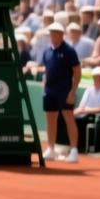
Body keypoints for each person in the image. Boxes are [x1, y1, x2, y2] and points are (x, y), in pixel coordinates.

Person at [38, 23, 80, 162]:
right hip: (50, 92)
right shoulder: (46, 52)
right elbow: (47, 70)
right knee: (50, 120)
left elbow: (77, 72)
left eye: (56, 32)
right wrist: (45, 85)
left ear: (62, 34)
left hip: (65, 91)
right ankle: (51, 149)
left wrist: (72, 91)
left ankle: (74, 150)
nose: (53, 35)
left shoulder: (69, 51)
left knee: (69, 119)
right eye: (51, 32)